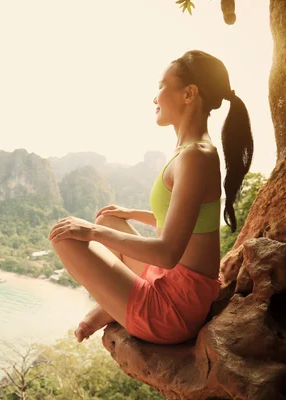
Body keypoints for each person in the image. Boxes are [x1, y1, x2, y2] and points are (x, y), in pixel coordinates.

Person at [48, 50, 254, 345]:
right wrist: (130, 214)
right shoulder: (191, 151)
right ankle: (113, 303)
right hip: (175, 282)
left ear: (189, 93)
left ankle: (110, 307)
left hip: (174, 310)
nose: (155, 97)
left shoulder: (197, 156)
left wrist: (93, 232)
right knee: (109, 217)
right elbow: (184, 221)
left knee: (65, 237)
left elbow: (168, 252)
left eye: (162, 85)